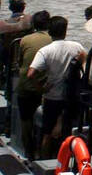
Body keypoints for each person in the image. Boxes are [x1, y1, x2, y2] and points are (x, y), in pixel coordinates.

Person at [29, 16, 87, 156]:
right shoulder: (77, 46)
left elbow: (31, 74)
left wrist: (40, 88)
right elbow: (84, 60)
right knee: (72, 133)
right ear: (65, 31)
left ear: (49, 32)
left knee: (47, 134)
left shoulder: (46, 51)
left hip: (52, 98)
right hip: (72, 97)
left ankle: (44, 161)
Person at [14, 11, 53, 154]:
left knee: (26, 121)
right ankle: (43, 152)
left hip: (26, 86)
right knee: (47, 121)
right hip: (47, 88)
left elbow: (20, 62)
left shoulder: (24, 40)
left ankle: (29, 153)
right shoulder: (53, 40)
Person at [0, 0, 33, 83]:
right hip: (28, 65)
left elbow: (0, 54)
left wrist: (0, 72)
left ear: (10, 8)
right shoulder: (30, 21)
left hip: (10, 66)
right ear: (24, 7)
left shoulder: (2, 26)